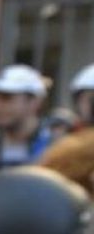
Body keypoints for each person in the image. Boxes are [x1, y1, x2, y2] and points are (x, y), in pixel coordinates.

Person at [40, 62, 94, 195]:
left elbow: (38, 181)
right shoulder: (74, 142)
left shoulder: (75, 146)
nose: (85, 105)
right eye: (83, 99)